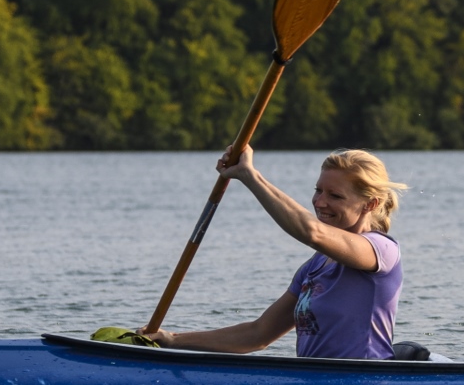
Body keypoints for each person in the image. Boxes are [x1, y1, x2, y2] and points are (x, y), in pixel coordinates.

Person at [141, 147, 409, 360]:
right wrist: (172, 340)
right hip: (315, 381)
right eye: (318, 190)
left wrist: (249, 175)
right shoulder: (314, 268)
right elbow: (258, 335)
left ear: (370, 204)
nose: (320, 202)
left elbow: (312, 232)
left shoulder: (381, 250)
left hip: (365, 384)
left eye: (335, 196)